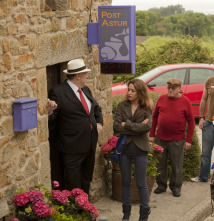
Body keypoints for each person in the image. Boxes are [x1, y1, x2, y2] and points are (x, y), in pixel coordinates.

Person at [48, 58, 103, 194]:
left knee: (86, 180)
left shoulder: (85, 90)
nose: (87, 76)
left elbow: (96, 108)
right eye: (85, 74)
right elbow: (53, 121)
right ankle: (76, 213)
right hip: (71, 148)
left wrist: (99, 123)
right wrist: (49, 112)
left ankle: (86, 210)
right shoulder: (58, 92)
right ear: (78, 76)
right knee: (73, 184)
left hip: (89, 145)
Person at [113, 79, 154, 221]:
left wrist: (128, 125)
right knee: (125, 181)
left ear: (140, 92)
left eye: (133, 90)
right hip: (124, 148)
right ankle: (126, 214)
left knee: (141, 182)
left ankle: (144, 213)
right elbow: (117, 126)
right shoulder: (121, 106)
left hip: (140, 148)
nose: (129, 93)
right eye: (128, 89)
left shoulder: (146, 108)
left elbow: (147, 128)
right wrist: (136, 127)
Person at [149, 78, 195, 197]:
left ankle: (175, 187)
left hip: (177, 139)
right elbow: (154, 118)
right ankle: (161, 185)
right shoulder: (161, 99)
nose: (170, 90)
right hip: (161, 138)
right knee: (160, 163)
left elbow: (191, 122)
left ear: (179, 89)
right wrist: (152, 134)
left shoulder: (185, 102)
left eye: (173, 88)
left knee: (176, 165)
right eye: (168, 87)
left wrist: (188, 140)